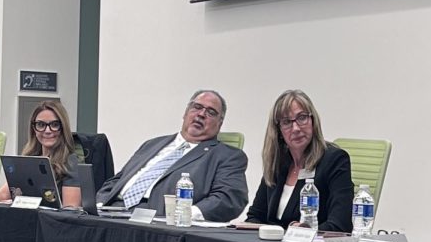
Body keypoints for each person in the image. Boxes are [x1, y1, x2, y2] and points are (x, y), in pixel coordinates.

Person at [96, 89, 249, 222]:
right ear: (185, 112)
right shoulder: (152, 144)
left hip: (158, 221)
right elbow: (118, 180)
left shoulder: (227, 156)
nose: (202, 114)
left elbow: (229, 198)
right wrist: (99, 204)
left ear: (220, 123)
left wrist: (185, 214)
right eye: (197, 107)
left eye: (211, 112)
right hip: (113, 214)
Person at [246, 90, 353, 232]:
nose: (295, 128)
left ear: (313, 121)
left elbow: (340, 225)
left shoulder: (334, 160)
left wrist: (300, 232)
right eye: (286, 122)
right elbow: (255, 217)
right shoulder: (278, 163)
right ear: (278, 131)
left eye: (302, 118)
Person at [0, 99, 82, 207]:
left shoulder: (70, 162)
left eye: (54, 124)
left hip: (51, 223)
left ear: (63, 128)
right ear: (33, 129)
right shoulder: (29, 159)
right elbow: (3, 195)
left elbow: (70, 209)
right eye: (40, 125)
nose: (47, 130)